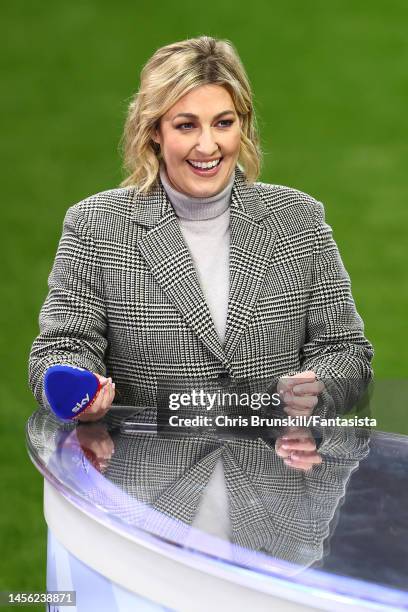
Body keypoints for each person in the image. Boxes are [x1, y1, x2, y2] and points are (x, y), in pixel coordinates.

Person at [28, 36, 373, 428]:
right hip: (150, 484)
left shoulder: (299, 220)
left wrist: (320, 389)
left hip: (274, 481)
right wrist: (80, 389)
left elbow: (345, 350)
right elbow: (62, 349)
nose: (207, 146)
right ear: (154, 131)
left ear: (241, 125)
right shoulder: (95, 225)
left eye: (223, 123)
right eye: (186, 125)